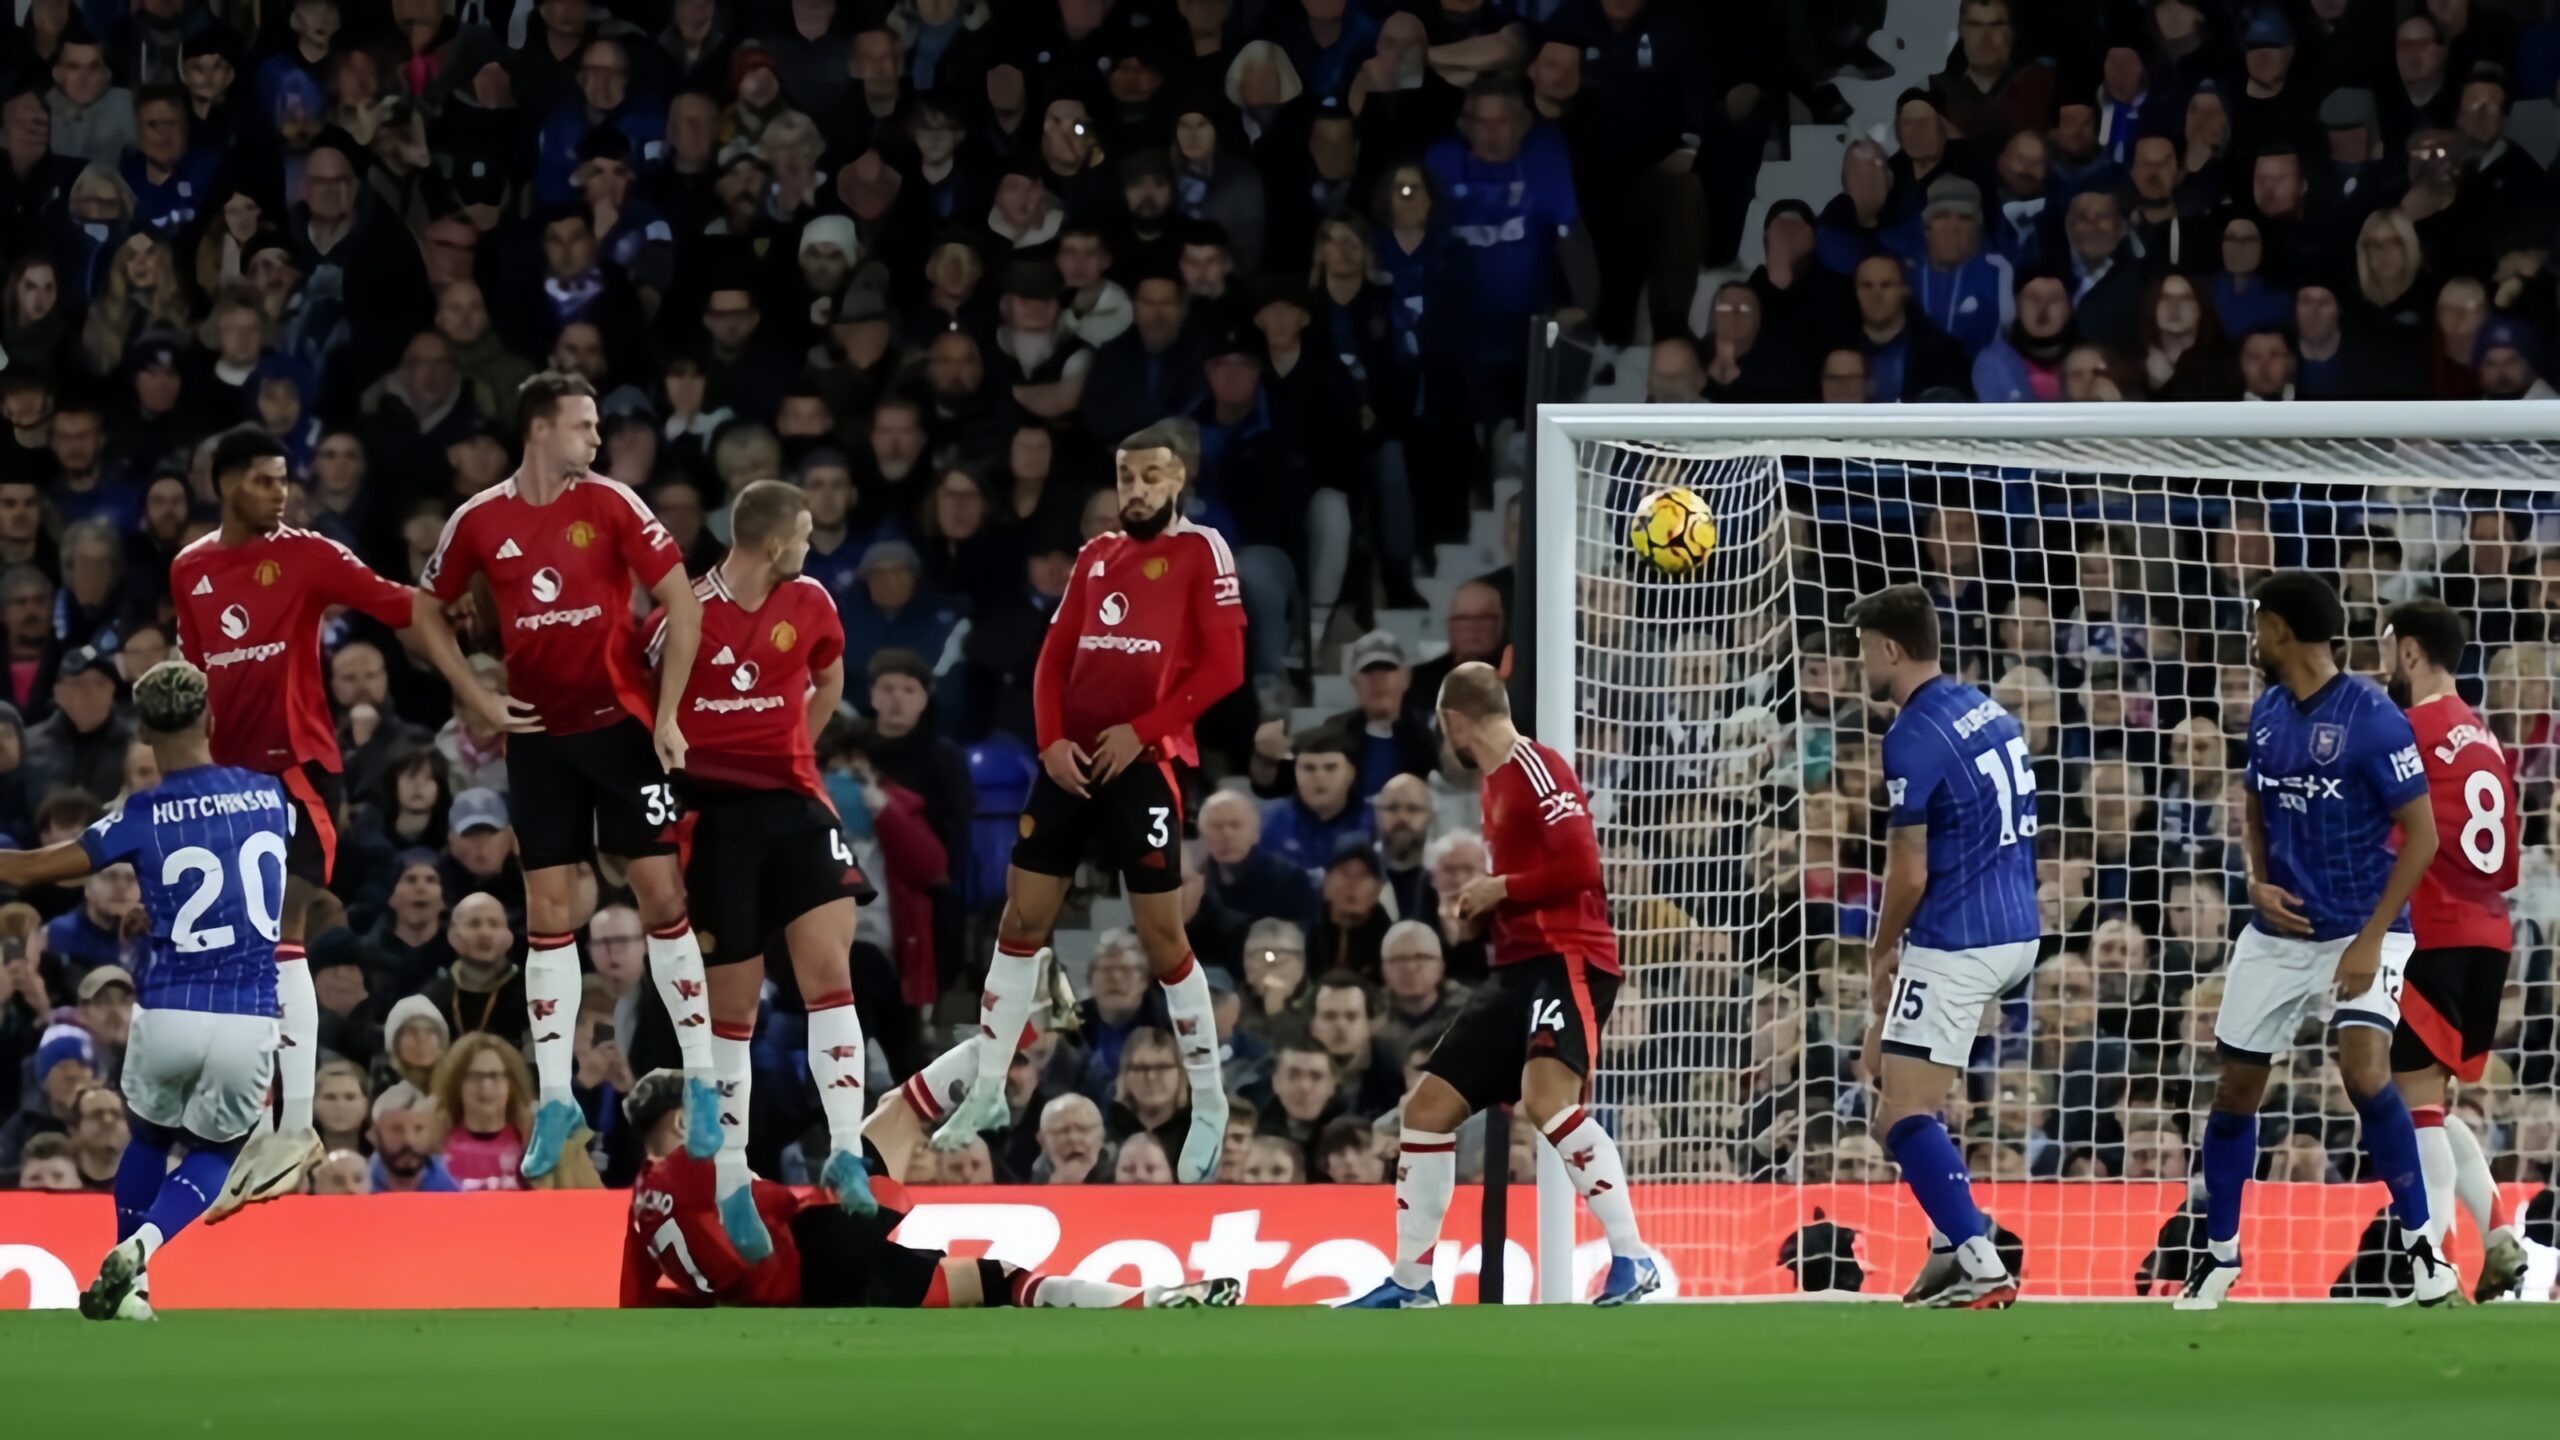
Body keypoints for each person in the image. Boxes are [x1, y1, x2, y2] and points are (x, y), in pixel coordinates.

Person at [173, 428, 509, 1219]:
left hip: (298, 768)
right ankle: (257, 1125)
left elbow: (394, 602)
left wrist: (455, 604)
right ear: (223, 484)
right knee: (242, 957)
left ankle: (293, 1128)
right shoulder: (189, 568)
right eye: (261, 481)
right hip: (224, 783)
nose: (279, 493)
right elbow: (192, 679)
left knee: (284, 931)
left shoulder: (309, 554)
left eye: (283, 479)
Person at [420, 371, 715, 1182]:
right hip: (541, 737)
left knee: (662, 897)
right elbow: (424, 607)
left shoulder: (615, 503)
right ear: (541, 429)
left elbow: (681, 603)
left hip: (622, 728)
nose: (597, 439)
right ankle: (555, 1097)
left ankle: (707, 1080)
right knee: (546, 913)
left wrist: (667, 715)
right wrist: (476, 692)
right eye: (584, 426)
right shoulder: (480, 519)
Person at [934, 420, 1245, 1185]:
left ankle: (1209, 1101)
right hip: (1071, 763)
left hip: (1145, 761)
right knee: (1020, 922)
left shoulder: (1202, 551)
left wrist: (1143, 732)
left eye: (1149, 477)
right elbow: (1053, 661)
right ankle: (985, 1091)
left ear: (1180, 479)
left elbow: (1226, 668)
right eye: (1124, 476)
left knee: (1162, 938)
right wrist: (1048, 744)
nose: (1133, 491)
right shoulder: (1096, 557)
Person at [2180, 572, 2451, 1310]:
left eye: (2258, 623)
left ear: (2280, 631)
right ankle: (2219, 1256)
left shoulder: (2371, 715)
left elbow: (2423, 838)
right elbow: (2255, 808)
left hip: (2364, 930)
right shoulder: (2267, 712)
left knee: (2365, 1071)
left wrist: (2368, 942)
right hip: (2278, 933)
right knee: (2235, 1089)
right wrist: (2255, 880)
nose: (2252, 635)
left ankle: (2424, 1248)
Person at [1347, 661, 1655, 1308]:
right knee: (1426, 1110)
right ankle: (1410, 1283)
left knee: (1547, 1102)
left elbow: (1581, 864)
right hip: (1516, 968)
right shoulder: (1493, 784)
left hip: (1566, 959)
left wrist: (1499, 888)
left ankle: (1632, 1257)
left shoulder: (1534, 767)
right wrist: (1487, 911)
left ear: (1454, 720)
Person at [0, 661, 289, 1320]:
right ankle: (143, 1251)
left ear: (145, 734)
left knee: (149, 1139)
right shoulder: (268, 794)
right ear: (210, 721)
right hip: (248, 1008)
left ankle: (132, 1282)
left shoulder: (142, 813)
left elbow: (38, 869)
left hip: (169, 1007)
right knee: (218, 1149)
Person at [642, 479, 879, 1260]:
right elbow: (645, 708)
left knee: (829, 973)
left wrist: (797, 746)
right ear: (774, 542)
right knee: (733, 1007)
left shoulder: (811, 602)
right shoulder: (682, 617)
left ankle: (847, 1150)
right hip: (717, 822)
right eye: (805, 534)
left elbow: (833, 676)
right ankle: (734, 1181)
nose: (812, 548)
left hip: (796, 808)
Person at [619, 1067, 1237, 1310]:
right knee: (895, 1115)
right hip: (818, 1255)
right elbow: (777, 1209)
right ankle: (1002, 1042)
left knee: (992, 1279)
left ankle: (1150, 1302)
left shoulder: (644, 1194)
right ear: (679, 1122)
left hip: (807, 1299)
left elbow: (636, 1297)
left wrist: (713, 1309)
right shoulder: (702, 1167)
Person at [1843, 585, 2031, 1311]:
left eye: (1864, 649)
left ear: (1890, 648)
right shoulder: (1989, 708)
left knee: (1899, 1116)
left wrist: (1882, 948)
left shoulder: (1910, 736)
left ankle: (1980, 1259)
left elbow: (1910, 869)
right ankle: (1950, 1249)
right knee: (1876, 1058)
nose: (1861, 662)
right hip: (2015, 924)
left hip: (1961, 936)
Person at [2377, 597, 2527, 1301]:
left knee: (2415, 1108)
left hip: (2434, 931)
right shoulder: (2485, 737)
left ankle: (2429, 1265)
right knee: (2426, 1097)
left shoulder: (2408, 732)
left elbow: (2389, 836)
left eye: (2385, 647)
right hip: (2491, 934)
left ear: (2409, 652)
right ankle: (2499, 1233)